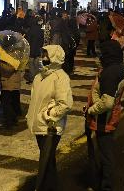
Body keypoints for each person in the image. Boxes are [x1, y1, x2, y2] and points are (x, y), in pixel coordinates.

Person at [26, 45, 73, 191]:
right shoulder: (39, 77)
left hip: (50, 127)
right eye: (43, 55)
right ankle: (51, 186)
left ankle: (43, 187)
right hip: (39, 126)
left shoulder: (60, 77)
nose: (43, 58)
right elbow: (35, 99)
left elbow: (65, 104)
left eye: (46, 55)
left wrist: (48, 115)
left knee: (45, 162)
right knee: (48, 161)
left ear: (54, 57)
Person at [85, 34, 124, 191]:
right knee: (105, 150)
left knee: (105, 152)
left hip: (104, 118)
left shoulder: (110, 73)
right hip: (109, 116)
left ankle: (106, 185)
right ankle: (103, 179)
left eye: (102, 52)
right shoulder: (116, 68)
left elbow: (107, 102)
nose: (99, 54)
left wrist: (91, 109)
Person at [25, 16, 45, 84]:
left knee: (31, 64)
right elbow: (42, 40)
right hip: (38, 49)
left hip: (31, 49)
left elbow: (27, 40)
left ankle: (32, 78)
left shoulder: (30, 30)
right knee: (37, 64)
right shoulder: (41, 30)